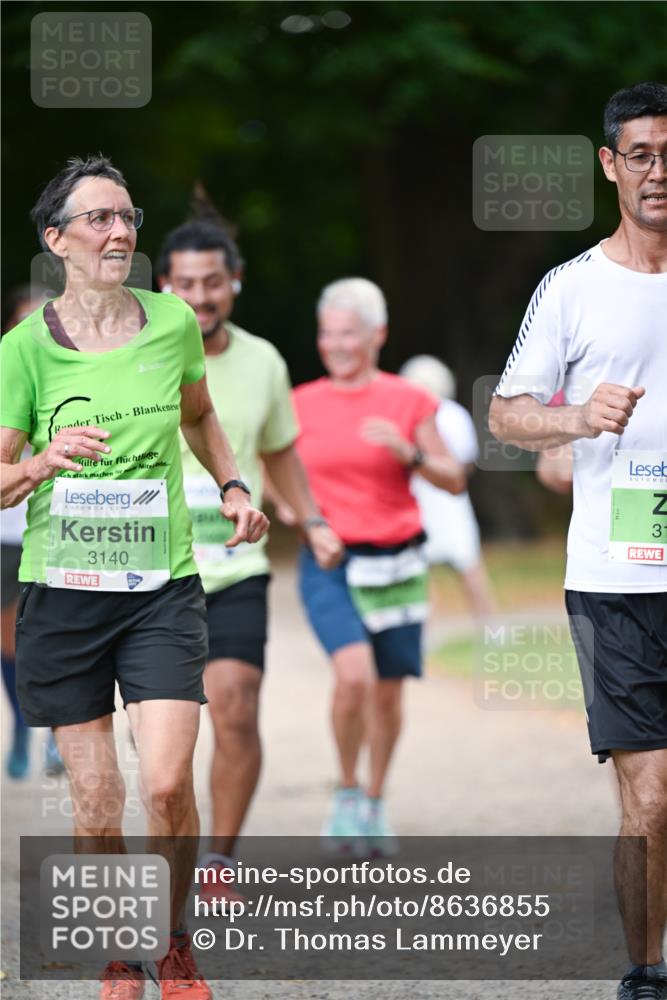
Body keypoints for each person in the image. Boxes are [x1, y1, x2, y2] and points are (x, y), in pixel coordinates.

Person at [0, 155, 269, 1000]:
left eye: (127, 217)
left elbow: (199, 413)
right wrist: (41, 461)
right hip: (64, 597)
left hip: (160, 590)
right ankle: (121, 950)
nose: (120, 232)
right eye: (99, 219)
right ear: (57, 241)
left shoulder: (172, 321)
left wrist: (233, 486)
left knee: (164, 781)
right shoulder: (22, 350)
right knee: (94, 798)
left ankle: (174, 943)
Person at [489, 83, 667, 1000]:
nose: (657, 172)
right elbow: (505, 415)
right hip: (614, 578)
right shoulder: (570, 287)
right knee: (651, 793)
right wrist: (575, 417)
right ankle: (647, 971)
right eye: (640, 155)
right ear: (609, 165)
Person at [155, 208, 343, 901]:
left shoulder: (263, 360)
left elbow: (279, 451)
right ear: (163, 286)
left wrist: (312, 520)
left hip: (235, 566)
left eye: (212, 282)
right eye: (185, 284)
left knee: (234, 706)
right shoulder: (138, 354)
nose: (199, 297)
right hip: (152, 571)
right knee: (164, 736)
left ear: (234, 281)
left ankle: (217, 862)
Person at [293, 278, 466, 854]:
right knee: (353, 677)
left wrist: (408, 452)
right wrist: (305, 521)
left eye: (349, 333)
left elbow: (454, 478)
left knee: (388, 694)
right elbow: (274, 478)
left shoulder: (408, 400)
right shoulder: (299, 403)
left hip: (397, 562)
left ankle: (374, 798)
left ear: (377, 335)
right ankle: (346, 792)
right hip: (332, 560)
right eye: (327, 334)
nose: (336, 345)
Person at [1, 285, 65, 779]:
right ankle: (24, 724)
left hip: (64, 531)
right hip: (6, 535)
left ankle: (59, 734)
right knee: (10, 644)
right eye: (25, 321)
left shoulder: (82, 376)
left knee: (61, 637)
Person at [399, 355, 496, 622]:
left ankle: (477, 623)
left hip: (437, 496)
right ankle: (487, 625)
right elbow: (467, 462)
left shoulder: (444, 415)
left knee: (455, 562)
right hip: (434, 496)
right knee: (461, 562)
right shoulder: (453, 415)